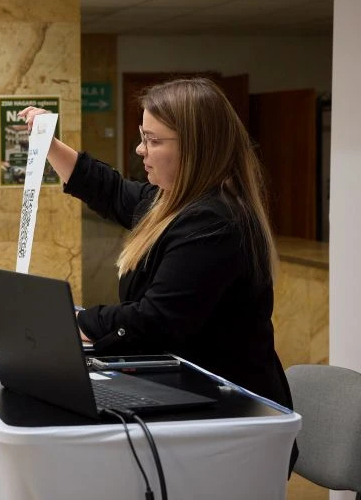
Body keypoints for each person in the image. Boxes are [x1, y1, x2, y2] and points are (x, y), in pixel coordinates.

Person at [18, 78, 294, 409]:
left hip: (231, 408)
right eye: (141, 137)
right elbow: (111, 191)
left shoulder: (214, 221)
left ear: (195, 146)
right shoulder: (169, 201)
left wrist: (73, 322)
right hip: (186, 389)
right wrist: (50, 144)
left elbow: (155, 319)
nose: (140, 149)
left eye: (152, 140)